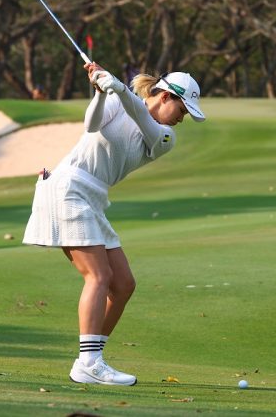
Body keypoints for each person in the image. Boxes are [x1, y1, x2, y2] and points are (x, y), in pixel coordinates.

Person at [22, 61, 205, 385]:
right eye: (182, 108)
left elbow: (138, 115)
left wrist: (117, 87)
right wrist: (100, 93)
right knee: (99, 275)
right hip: (68, 188)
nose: (182, 117)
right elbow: (91, 125)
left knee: (123, 285)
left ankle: (88, 360)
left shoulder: (164, 137)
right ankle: (90, 362)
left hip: (92, 198)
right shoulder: (119, 105)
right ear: (164, 97)